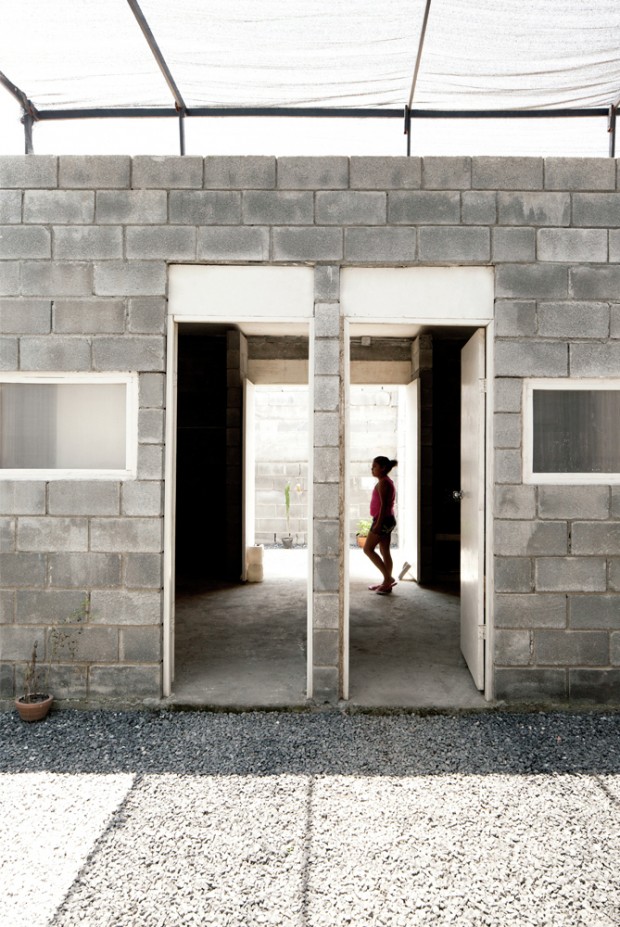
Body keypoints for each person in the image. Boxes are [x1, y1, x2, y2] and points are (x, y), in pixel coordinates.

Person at [363, 456, 398, 595]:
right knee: (384, 551)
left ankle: (388, 578)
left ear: (383, 468)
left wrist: (378, 524)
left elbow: (383, 506)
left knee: (367, 549)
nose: (372, 469)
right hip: (388, 520)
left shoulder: (384, 483)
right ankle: (386, 583)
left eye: (374, 467)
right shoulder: (386, 481)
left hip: (382, 520)